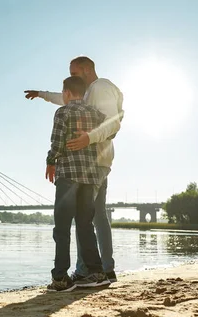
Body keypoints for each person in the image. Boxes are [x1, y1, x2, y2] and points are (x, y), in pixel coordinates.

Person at [26, 56, 124, 283]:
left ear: (88, 70)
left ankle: (87, 270)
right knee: (94, 217)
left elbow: (113, 123)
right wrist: (41, 94)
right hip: (91, 163)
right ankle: (101, 269)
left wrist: (87, 138)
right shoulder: (88, 95)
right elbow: (66, 99)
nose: (71, 77)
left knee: (85, 219)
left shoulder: (101, 87)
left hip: (94, 161)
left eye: (74, 73)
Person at [45, 75, 110, 292]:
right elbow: (111, 128)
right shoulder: (95, 113)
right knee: (85, 226)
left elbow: (57, 143)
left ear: (66, 92)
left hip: (69, 176)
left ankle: (61, 279)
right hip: (90, 178)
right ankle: (97, 272)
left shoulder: (63, 112)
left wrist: (50, 162)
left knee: (62, 229)